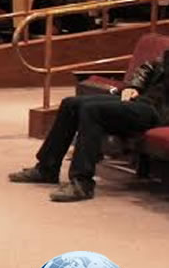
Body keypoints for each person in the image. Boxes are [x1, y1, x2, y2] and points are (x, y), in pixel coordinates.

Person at [10, 53, 169, 201]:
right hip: (142, 100)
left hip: (158, 111)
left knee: (92, 110)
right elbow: (149, 66)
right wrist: (133, 87)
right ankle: (47, 168)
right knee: (70, 103)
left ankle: (82, 182)